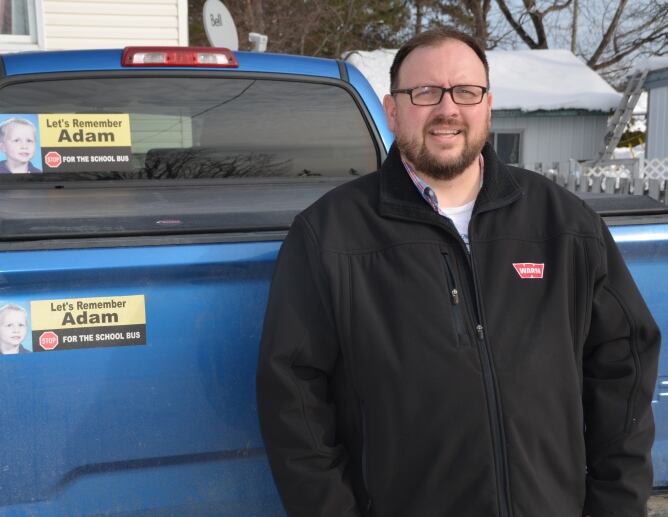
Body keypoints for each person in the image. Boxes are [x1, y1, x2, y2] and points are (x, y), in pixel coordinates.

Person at [256, 27, 660, 517]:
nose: (447, 109)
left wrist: (616, 505)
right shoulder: (330, 237)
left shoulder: (565, 225)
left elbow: (622, 372)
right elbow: (294, 402)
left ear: (487, 106)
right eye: (424, 92)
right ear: (392, 110)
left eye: (465, 91)